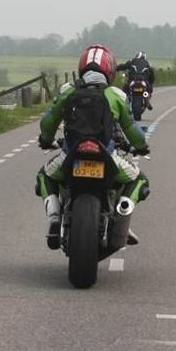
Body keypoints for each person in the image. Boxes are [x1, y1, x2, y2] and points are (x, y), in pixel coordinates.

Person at [35, 44, 151, 249]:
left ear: (81, 67)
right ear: (110, 71)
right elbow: (131, 128)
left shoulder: (67, 91)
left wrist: (46, 139)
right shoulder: (116, 95)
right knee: (139, 179)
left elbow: (49, 121)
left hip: (71, 153)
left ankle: (54, 217)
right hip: (106, 154)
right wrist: (141, 146)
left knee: (45, 175)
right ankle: (123, 213)